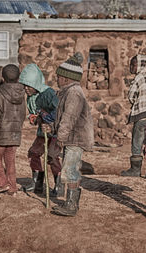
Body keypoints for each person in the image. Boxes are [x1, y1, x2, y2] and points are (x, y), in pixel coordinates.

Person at [44, 52, 94, 217]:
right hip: (71, 138)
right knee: (72, 169)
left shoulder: (74, 93)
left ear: (66, 78)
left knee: (70, 169)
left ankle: (71, 205)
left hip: (75, 138)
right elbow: (61, 119)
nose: (57, 79)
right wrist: (51, 127)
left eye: (58, 77)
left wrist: (60, 137)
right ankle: (71, 202)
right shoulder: (68, 92)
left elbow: (69, 118)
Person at [18, 63, 64, 197]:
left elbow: (58, 112)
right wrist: (35, 119)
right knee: (33, 153)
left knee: (52, 156)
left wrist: (49, 121)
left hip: (54, 132)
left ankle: (59, 184)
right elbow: (33, 114)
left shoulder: (48, 94)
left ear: (36, 84)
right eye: (24, 86)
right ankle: (37, 183)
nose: (26, 89)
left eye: (29, 86)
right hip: (42, 132)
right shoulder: (30, 97)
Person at [0, 64, 26, 196]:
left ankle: (3, 184)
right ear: (18, 78)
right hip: (15, 132)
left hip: (0, 132)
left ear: (3, 79)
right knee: (10, 160)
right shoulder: (22, 94)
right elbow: (22, 114)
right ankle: (13, 187)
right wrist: (18, 127)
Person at [121, 54, 146, 177]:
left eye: (133, 64)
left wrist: (134, 102)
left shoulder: (137, 78)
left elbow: (131, 96)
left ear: (141, 65)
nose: (130, 66)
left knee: (137, 142)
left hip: (141, 116)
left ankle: (135, 170)